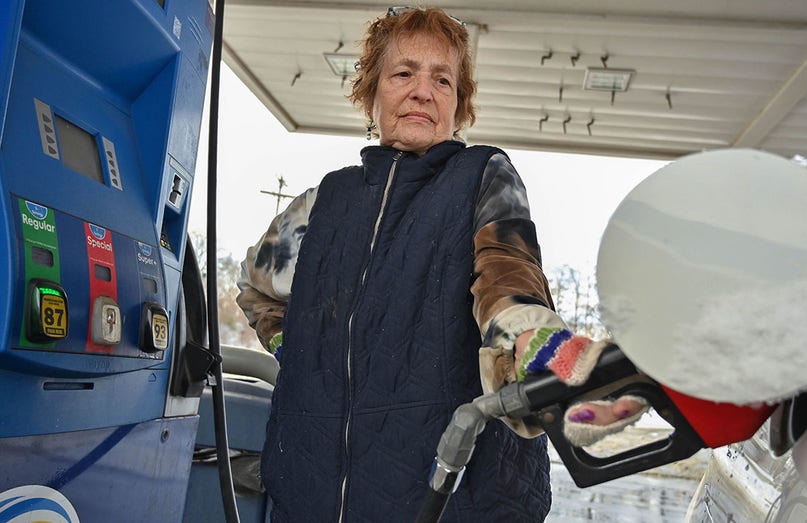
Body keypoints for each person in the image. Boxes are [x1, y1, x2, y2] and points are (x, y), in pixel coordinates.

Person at [237, 6, 644, 521]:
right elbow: (256, 290)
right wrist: (301, 354)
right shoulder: (322, 203)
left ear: (458, 105)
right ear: (372, 93)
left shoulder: (481, 177)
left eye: (442, 79)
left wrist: (534, 347)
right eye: (403, 73)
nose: (422, 92)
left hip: (453, 497)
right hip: (311, 494)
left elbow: (507, 271)